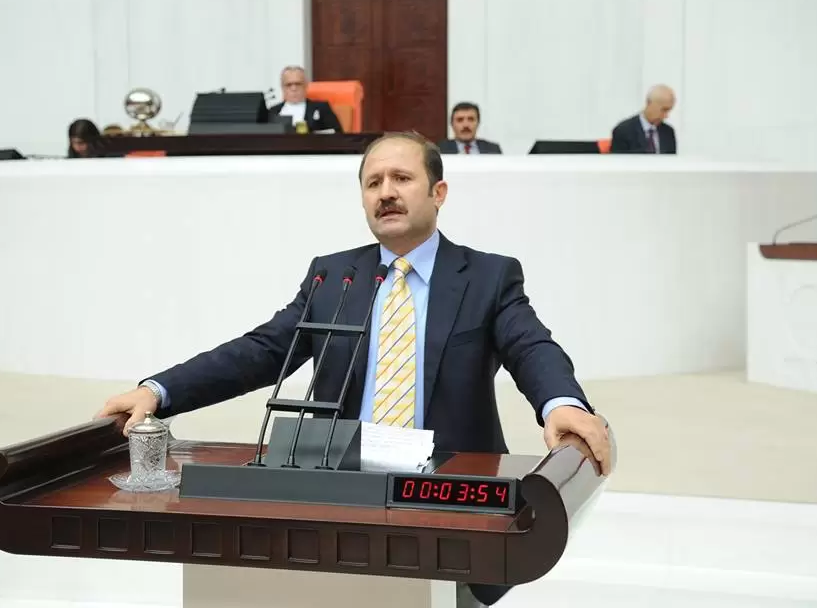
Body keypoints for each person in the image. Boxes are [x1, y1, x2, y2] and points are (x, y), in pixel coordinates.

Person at [96, 131, 611, 607]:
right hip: (336, 502)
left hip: (446, 505)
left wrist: (561, 403)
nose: (386, 192)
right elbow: (263, 349)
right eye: (373, 182)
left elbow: (531, 346)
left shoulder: (487, 276)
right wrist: (159, 391)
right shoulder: (334, 275)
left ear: (438, 192)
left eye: (401, 178)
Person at [268, 65, 343, 133]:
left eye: (298, 84)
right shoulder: (273, 112)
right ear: (282, 87)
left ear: (306, 86)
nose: (294, 88)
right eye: (289, 85)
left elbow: (337, 134)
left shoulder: (322, 108)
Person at [610, 84, 677, 154]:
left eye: (669, 111)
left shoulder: (668, 132)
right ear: (649, 103)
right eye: (664, 110)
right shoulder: (623, 131)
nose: (666, 116)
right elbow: (619, 160)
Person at [437, 102, 502, 154]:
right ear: (452, 124)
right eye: (460, 120)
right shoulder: (439, 150)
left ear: (478, 123)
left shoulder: (493, 149)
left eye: (471, 119)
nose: (466, 125)